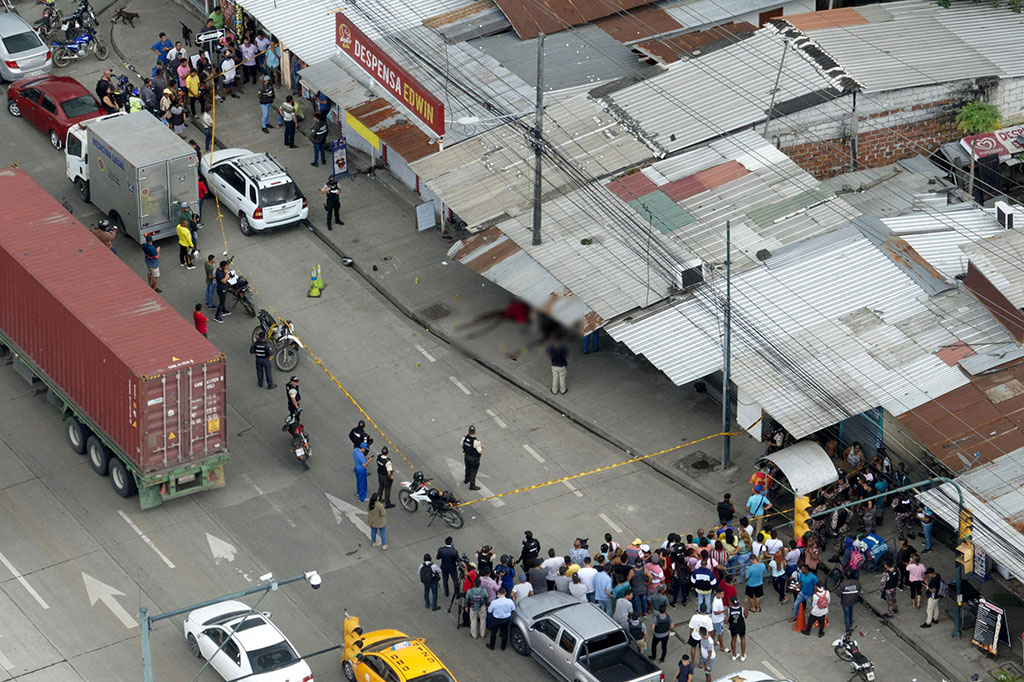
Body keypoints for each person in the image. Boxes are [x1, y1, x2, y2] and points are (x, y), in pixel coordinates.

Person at [462, 425, 483, 491]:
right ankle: (472, 485)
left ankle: (466, 479)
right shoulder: (476, 442)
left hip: (466, 456)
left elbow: (462, 445)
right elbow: (479, 451)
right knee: (473, 471)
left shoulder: (464, 439)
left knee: (467, 468)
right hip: (473, 458)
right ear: (474, 432)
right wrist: (482, 448)